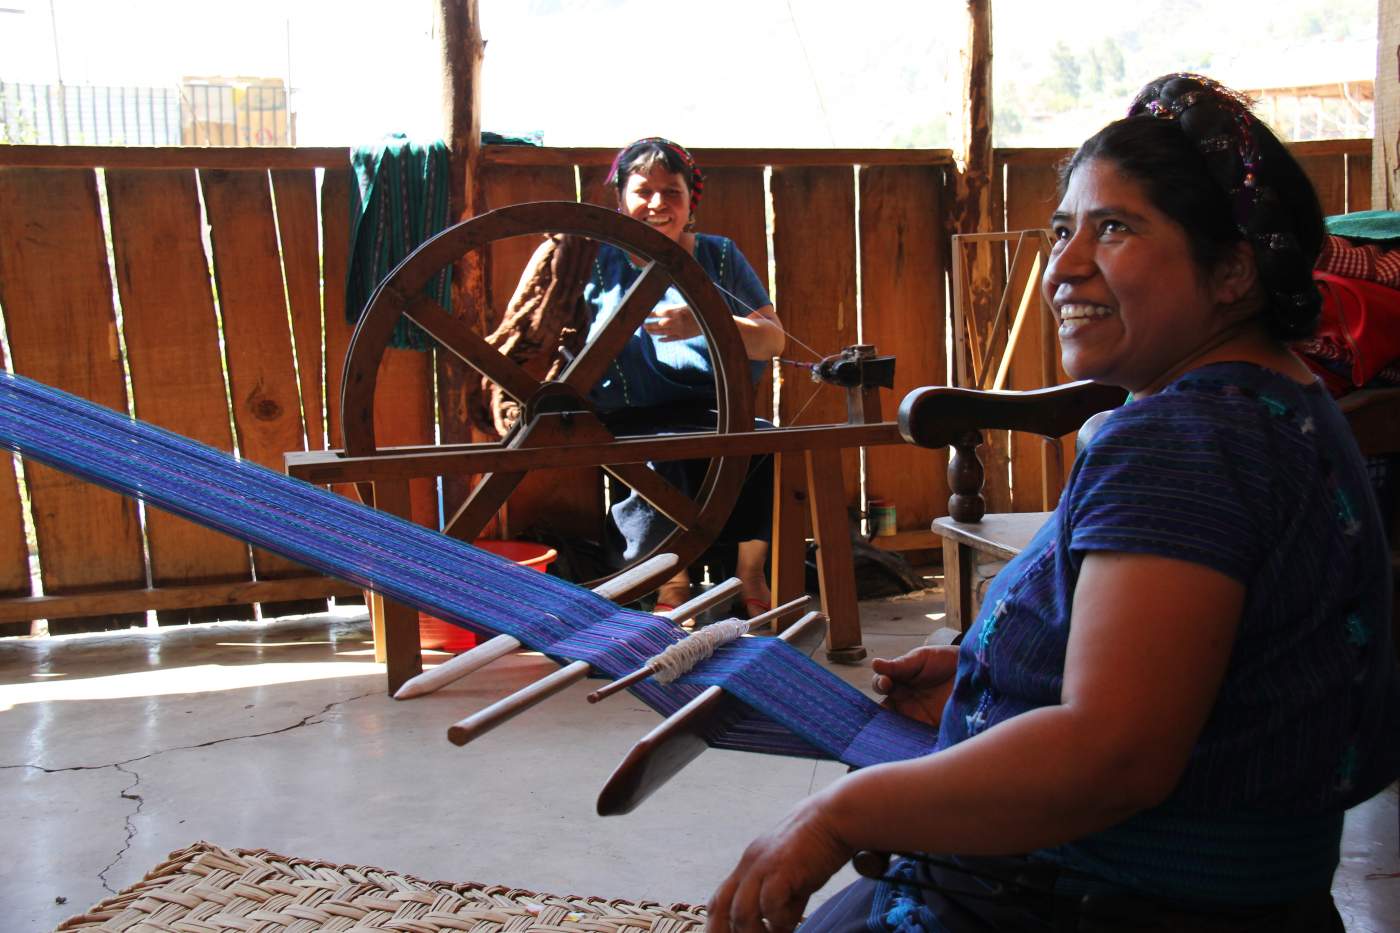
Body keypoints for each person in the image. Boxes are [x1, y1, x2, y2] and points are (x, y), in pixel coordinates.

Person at [705, 74, 1400, 932]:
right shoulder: (1283, 404)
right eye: (1064, 229)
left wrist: (837, 815)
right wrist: (994, 675)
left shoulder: (1187, 443)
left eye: (1115, 229)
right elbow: (1206, 668)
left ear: (1231, 270)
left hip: (1091, 905)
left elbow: (1112, 756)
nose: (1065, 266)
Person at [585, 137, 785, 615]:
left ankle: (750, 574)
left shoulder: (718, 257)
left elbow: (773, 341)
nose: (657, 204)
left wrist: (706, 319)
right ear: (620, 199)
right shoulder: (595, 262)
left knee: (760, 445)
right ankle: (671, 587)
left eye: (671, 192)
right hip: (631, 414)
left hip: (715, 408)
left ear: (689, 202)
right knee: (664, 460)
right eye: (643, 191)